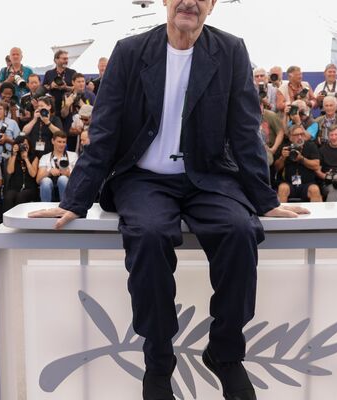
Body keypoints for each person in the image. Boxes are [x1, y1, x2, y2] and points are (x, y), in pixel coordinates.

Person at [27, 1, 307, 398]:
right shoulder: (129, 52)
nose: (189, 2)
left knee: (241, 230)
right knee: (149, 234)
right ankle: (158, 360)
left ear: (211, 5)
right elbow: (103, 130)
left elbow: (246, 130)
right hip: (143, 178)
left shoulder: (230, 50)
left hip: (207, 176)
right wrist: (76, 199)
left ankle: (225, 353)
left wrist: (263, 199)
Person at [273, 125, 322, 202]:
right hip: (288, 183)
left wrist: (302, 159)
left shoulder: (311, 146)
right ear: (290, 137)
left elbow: (316, 166)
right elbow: (276, 168)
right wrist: (282, 157)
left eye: (301, 134)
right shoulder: (284, 147)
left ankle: (317, 214)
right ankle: (281, 214)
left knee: (314, 190)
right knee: (283, 188)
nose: (299, 137)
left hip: (307, 184)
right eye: (296, 135)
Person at [37, 131, 78, 203]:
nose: (62, 144)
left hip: (67, 187)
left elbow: (78, 178)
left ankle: (65, 206)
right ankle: (46, 208)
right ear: (53, 141)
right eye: (59, 142)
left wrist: (68, 174)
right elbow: (38, 180)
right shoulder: (45, 157)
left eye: (64, 142)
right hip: (49, 188)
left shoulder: (73, 155)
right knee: (46, 180)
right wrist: (49, 172)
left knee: (63, 179)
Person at [61, 73, 97, 150]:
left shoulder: (90, 95)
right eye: (79, 82)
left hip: (86, 132)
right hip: (71, 133)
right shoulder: (67, 95)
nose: (81, 84)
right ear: (73, 82)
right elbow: (63, 115)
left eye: (83, 81)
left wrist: (83, 106)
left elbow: (95, 114)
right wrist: (67, 105)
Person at [3, 136, 39, 212]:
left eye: (26, 144)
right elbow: (10, 171)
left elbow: (33, 174)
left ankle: (19, 219)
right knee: (8, 196)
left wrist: (26, 159)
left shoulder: (34, 157)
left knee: (21, 196)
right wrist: (14, 154)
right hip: (14, 187)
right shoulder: (13, 157)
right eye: (22, 145)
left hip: (29, 188)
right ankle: (8, 220)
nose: (24, 147)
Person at [43, 50, 76, 122]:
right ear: (56, 60)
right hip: (53, 108)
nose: (66, 61)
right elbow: (43, 88)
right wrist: (51, 86)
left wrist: (66, 87)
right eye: (64, 59)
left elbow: (76, 88)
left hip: (68, 107)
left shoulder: (72, 72)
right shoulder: (49, 73)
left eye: (67, 59)